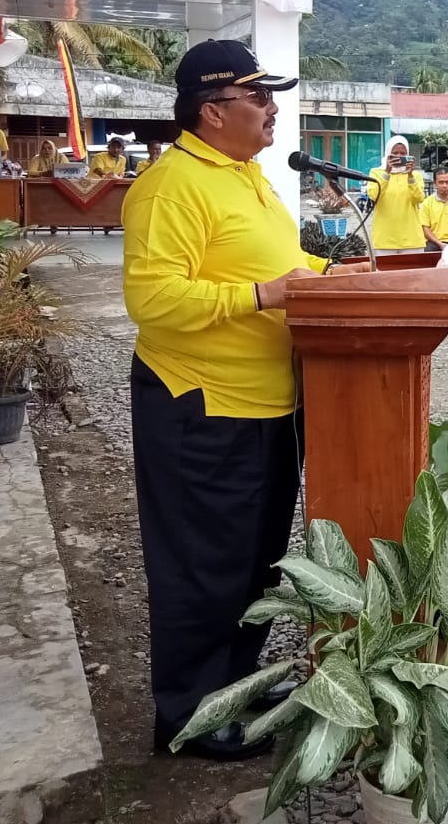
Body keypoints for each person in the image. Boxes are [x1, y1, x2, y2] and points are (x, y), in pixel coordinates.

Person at [123, 38, 343, 761]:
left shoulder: (246, 175)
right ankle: (187, 716)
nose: (272, 108)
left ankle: (236, 685)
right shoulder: (171, 185)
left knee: (254, 562)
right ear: (213, 111)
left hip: (269, 404)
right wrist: (262, 295)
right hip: (202, 407)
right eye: (259, 96)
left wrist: (332, 276)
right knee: (201, 565)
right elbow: (152, 299)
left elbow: (274, 265)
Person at [366, 136, 427, 253]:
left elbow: (419, 198)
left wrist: (410, 176)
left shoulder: (415, 175)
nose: (399, 156)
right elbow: (374, 195)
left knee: (414, 271)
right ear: (388, 153)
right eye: (395, 153)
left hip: (412, 239)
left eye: (403, 153)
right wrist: (387, 172)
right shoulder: (376, 173)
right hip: (384, 239)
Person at [418, 169, 448, 249]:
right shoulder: (427, 203)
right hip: (434, 242)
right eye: (441, 182)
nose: (444, 185)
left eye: (447, 182)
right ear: (435, 183)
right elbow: (425, 228)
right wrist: (439, 243)